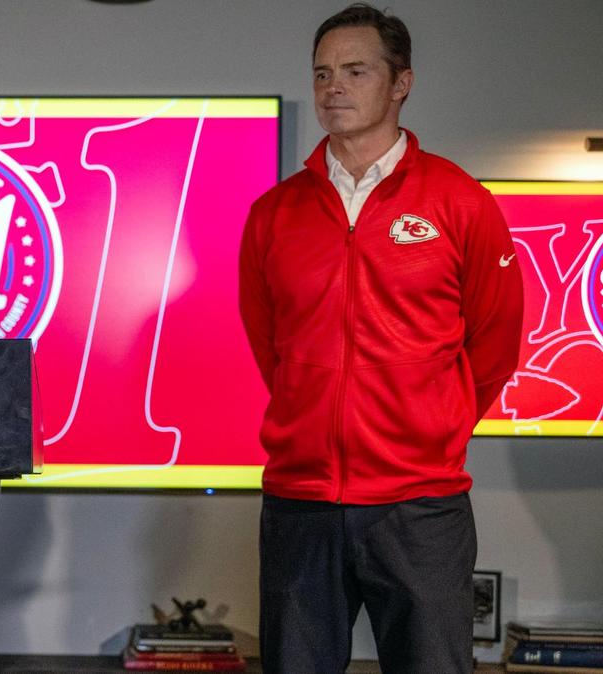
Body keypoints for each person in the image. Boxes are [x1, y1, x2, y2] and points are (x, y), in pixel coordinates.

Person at [238, 4, 523, 673]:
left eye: (355, 70)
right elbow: (268, 345)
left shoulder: (460, 202)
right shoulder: (273, 214)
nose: (333, 87)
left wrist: (433, 423)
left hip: (419, 508)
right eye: (322, 73)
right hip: (299, 505)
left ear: (400, 83)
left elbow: (496, 341)